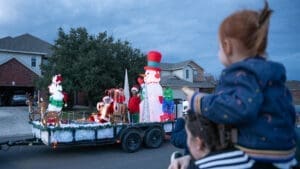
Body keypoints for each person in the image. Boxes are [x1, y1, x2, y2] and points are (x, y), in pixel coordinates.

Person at [182, 2, 297, 168]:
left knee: (200, 165)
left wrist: (198, 101)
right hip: (286, 152)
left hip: (257, 152)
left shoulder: (242, 74)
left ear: (227, 47)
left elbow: (240, 108)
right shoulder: (270, 75)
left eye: (218, 47)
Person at [168, 113, 254, 169]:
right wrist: (190, 159)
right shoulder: (249, 158)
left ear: (199, 143)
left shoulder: (197, 166)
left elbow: (175, 138)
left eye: (188, 137)